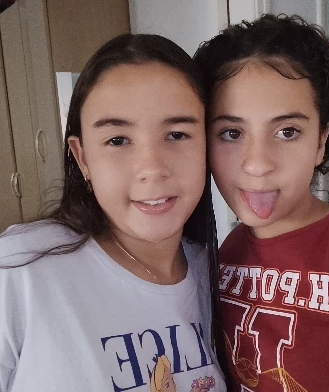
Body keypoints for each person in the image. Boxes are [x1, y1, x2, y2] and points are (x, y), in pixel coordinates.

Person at [0, 34, 226, 392]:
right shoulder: (19, 270)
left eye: (177, 134)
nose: (152, 169)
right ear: (83, 158)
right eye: (117, 140)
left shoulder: (217, 278)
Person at [194, 14, 329, 391]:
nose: (257, 164)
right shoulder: (222, 256)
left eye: (287, 132)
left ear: (321, 141)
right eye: (231, 133)